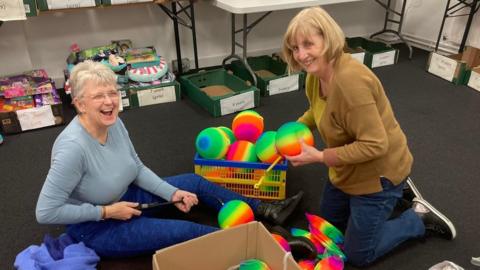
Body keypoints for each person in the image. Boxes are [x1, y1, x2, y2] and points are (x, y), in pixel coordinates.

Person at [35, 60, 303, 258]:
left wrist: (172, 193)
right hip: (95, 227)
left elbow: (136, 168)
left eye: (112, 93)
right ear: (80, 104)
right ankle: (268, 248)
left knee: (193, 183)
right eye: (98, 96)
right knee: (185, 232)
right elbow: (45, 211)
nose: (109, 101)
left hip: (125, 194)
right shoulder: (72, 148)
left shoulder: (113, 122)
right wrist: (105, 212)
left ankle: (267, 209)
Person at [281, 7, 456, 267]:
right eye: (295, 48)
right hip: (347, 167)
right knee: (330, 230)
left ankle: (417, 217)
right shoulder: (315, 76)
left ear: (327, 39)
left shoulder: (351, 84)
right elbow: (315, 110)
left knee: (357, 254)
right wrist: (292, 131)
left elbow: (375, 144)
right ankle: (395, 196)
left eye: (308, 44)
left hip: (378, 171)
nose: (302, 55)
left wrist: (320, 156)